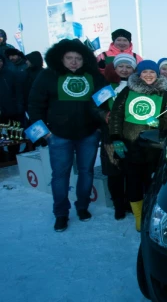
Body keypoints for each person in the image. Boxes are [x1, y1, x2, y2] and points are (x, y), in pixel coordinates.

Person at [29, 39, 106, 232]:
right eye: (69, 58)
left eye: (78, 58)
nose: (73, 62)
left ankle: (83, 207)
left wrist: (100, 127)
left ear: (84, 59)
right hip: (58, 136)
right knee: (60, 176)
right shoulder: (47, 75)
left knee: (86, 172)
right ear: (61, 58)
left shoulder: (94, 76)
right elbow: (35, 105)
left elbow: (106, 103)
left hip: (88, 134)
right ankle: (61, 213)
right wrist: (43, 133)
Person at [109, 60, 167, 232]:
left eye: (152, 72)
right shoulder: (127, 91)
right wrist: (116, 138)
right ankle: (138, 216)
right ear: (138, 74)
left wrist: (160, 124)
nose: (148, 75)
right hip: (130, 145)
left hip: (154, 148)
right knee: (133, 182)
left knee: (152, 183)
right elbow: (116, 115)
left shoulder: (165, 94)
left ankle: (152, 213)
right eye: (145, 72)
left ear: (157, 74)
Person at [99, 55, 136, 220]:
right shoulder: (106, 87)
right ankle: (118, 205)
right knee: (114, 172)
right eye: (121, 66)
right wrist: (104, 114)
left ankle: (131, 202)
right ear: (114, 68)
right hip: (111, 137)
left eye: (128, 67)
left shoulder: (137, 87)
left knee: (131, 171)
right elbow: (94, 108)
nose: (124, 70)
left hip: (131, 136)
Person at [24, 51, 44, 116]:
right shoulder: (26, 72)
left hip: (40, 105)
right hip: (28, 104)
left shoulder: (43, 74)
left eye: (28, 60)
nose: (26, 62)